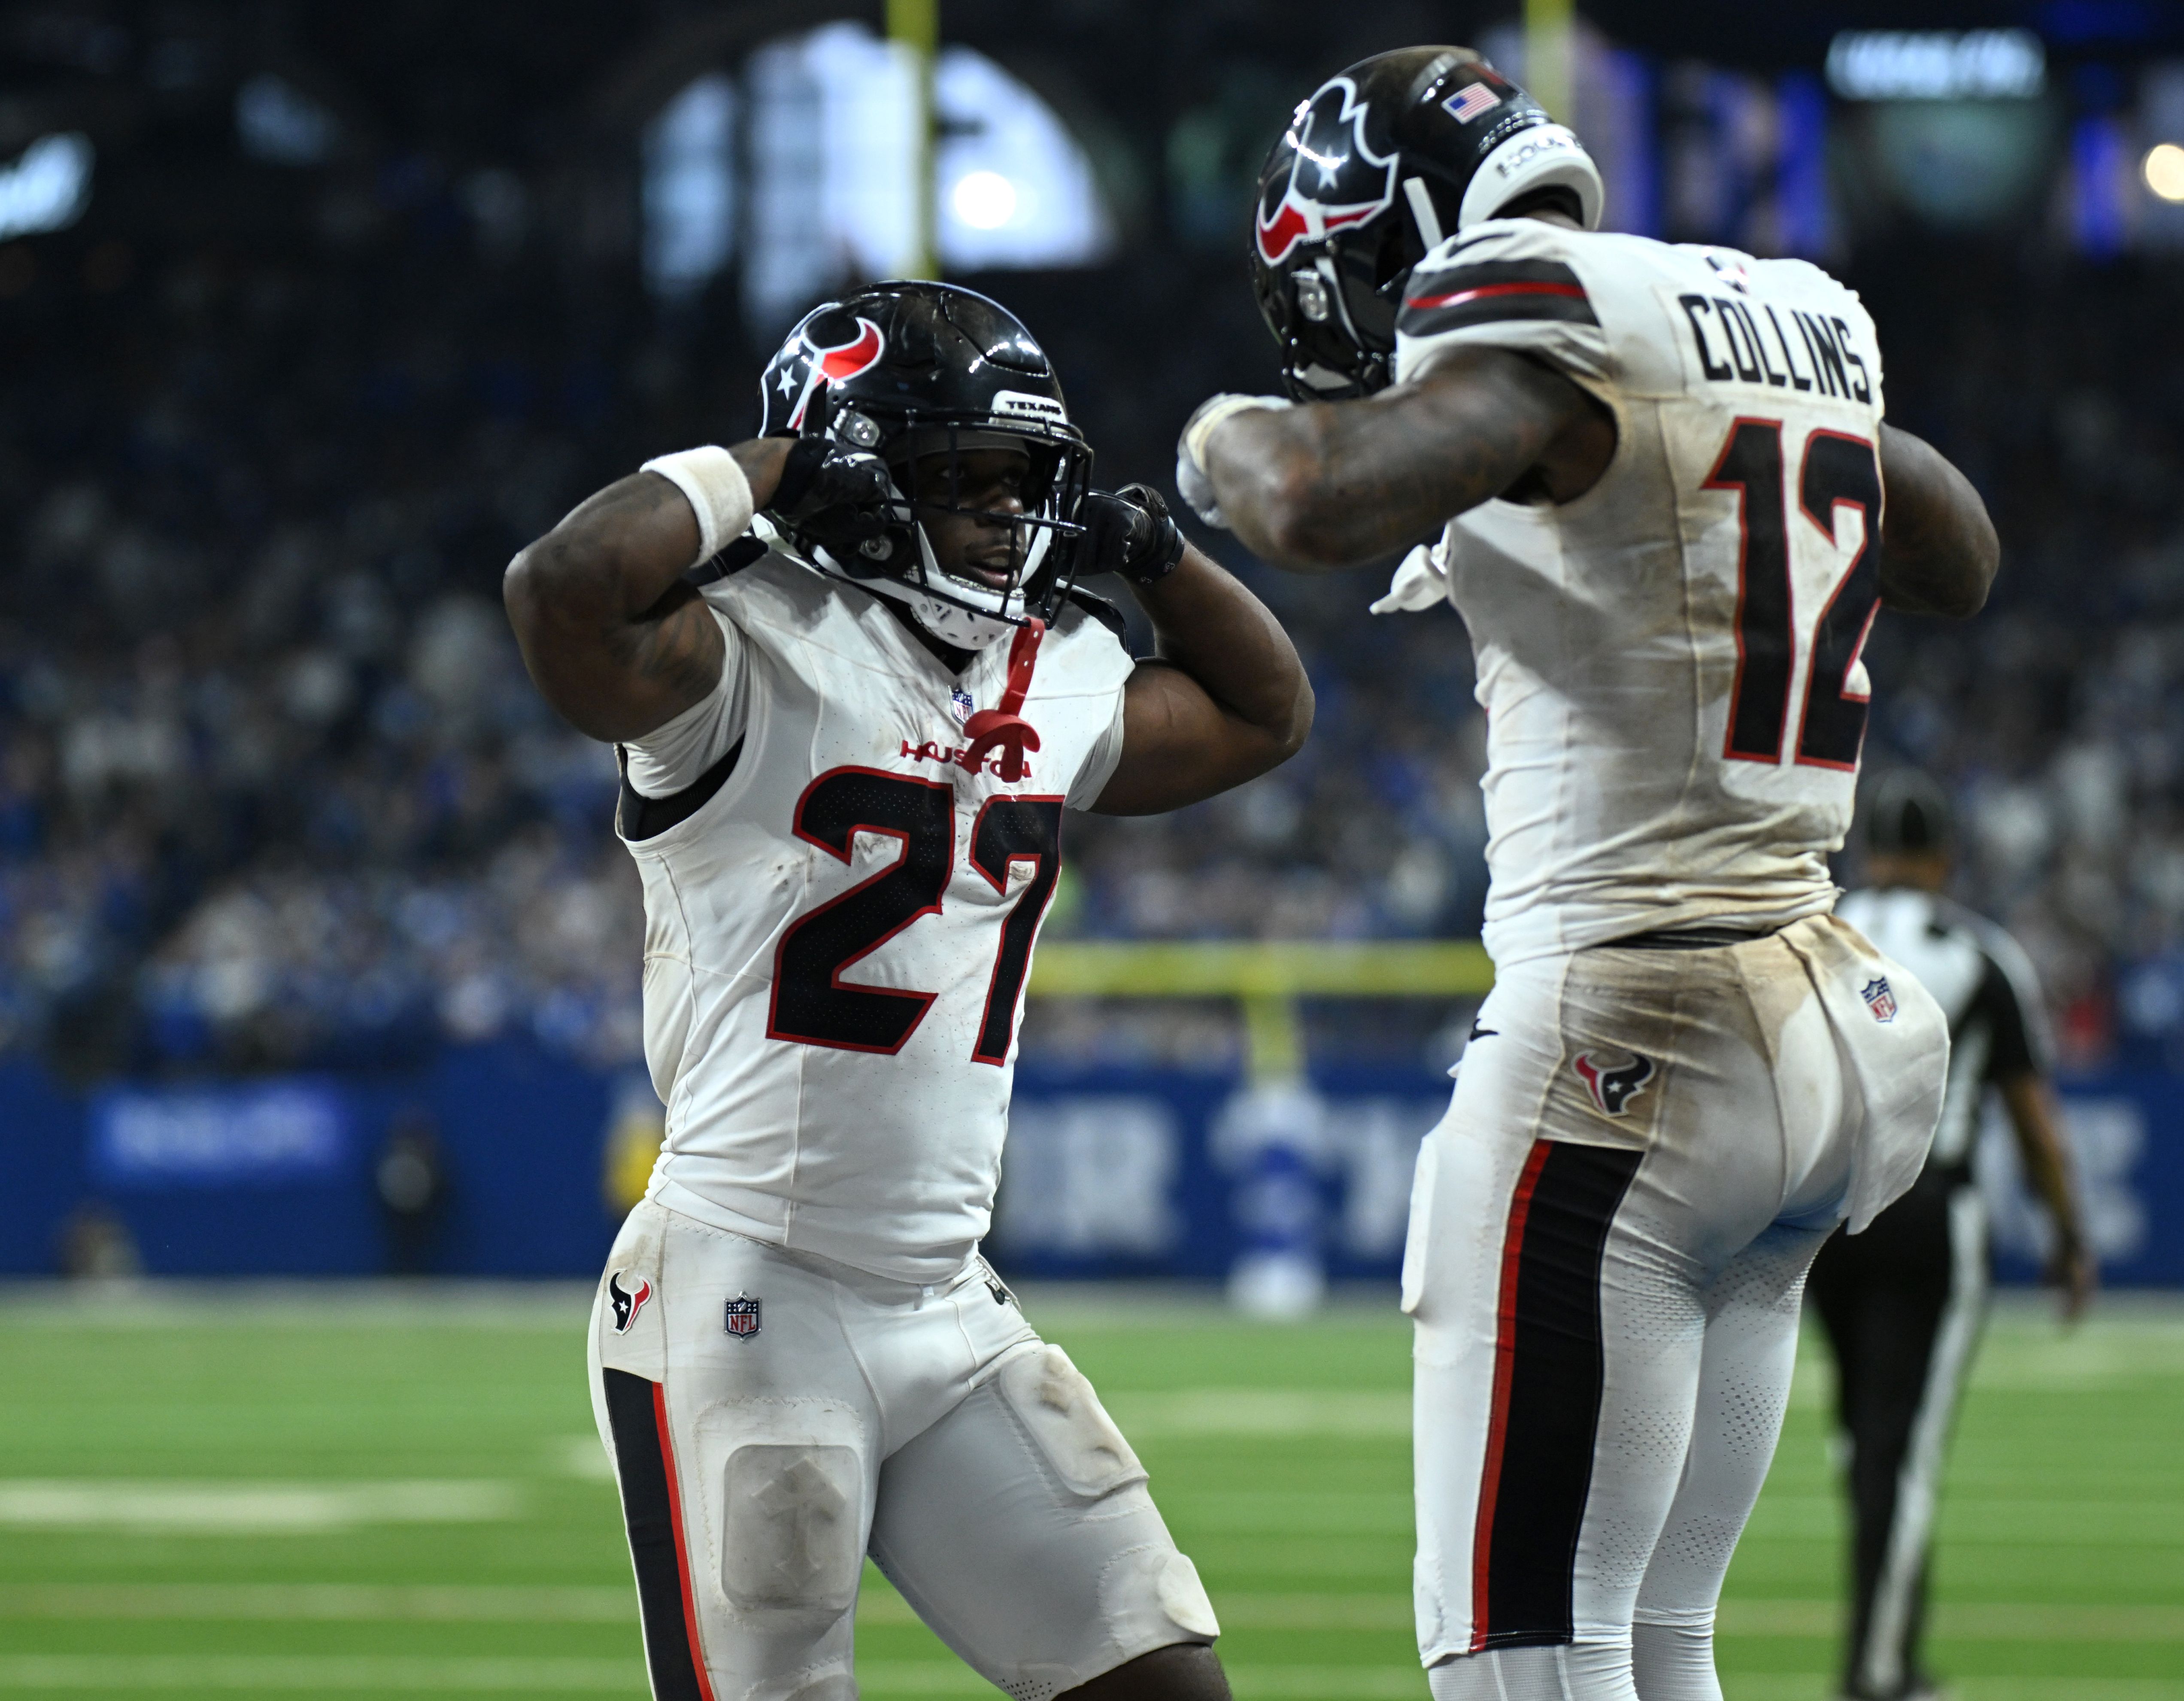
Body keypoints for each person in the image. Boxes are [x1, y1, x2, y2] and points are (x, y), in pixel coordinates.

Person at [1174, 48, 1999, 1701]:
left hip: (1634, 1025)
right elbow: (1960, 552)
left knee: (1517, 1656)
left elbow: (1321, 500)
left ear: (1400, 222)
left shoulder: (1541, 311)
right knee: (1659, 1635)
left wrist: (1214, 442)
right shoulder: (1785, 306)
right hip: (1819, 1030)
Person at [504, 281, 1310, 1701]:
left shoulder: (1050, 670)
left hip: (948, 1302)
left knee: (1163, 1681)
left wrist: (1157, 553)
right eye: (970, 479)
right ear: (858, 475)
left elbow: (1266, 714)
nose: (1014, 522)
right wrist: (763, 468)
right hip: (746, 1290)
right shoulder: (732, 651)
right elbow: (558, 588)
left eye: (1029, 484)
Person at [1821, 771, 2094, 1701]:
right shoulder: (1982, 952)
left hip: (1822, 1205)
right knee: (1907, 1446)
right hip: (1931, 1204)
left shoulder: (1817, 930)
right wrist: (2070, 1234)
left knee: (1864, 1436)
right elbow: (2033, 1119)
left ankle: (1883, 1642)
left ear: (1867, 852)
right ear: (1944, 859)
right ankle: (1879, 1667)